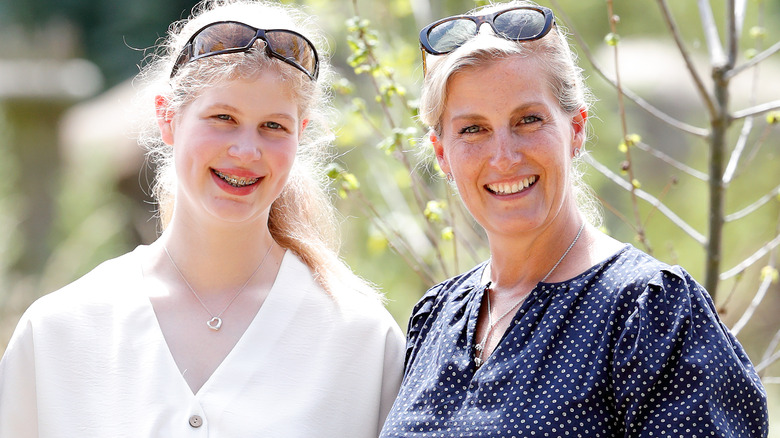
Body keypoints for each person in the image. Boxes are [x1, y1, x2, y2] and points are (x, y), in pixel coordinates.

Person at [0, 0, 405, 436]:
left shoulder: (360, 339)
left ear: (300, 135)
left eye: (273, 126)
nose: (247, 151)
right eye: (223, 118)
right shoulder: (61, 330)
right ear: (167, 118)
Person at [379, 1, 769, 437]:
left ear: (577, 129)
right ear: (441, 153)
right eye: (473, 129)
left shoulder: (649, 313)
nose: (504, 157)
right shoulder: (435, 316)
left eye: (528, 120)